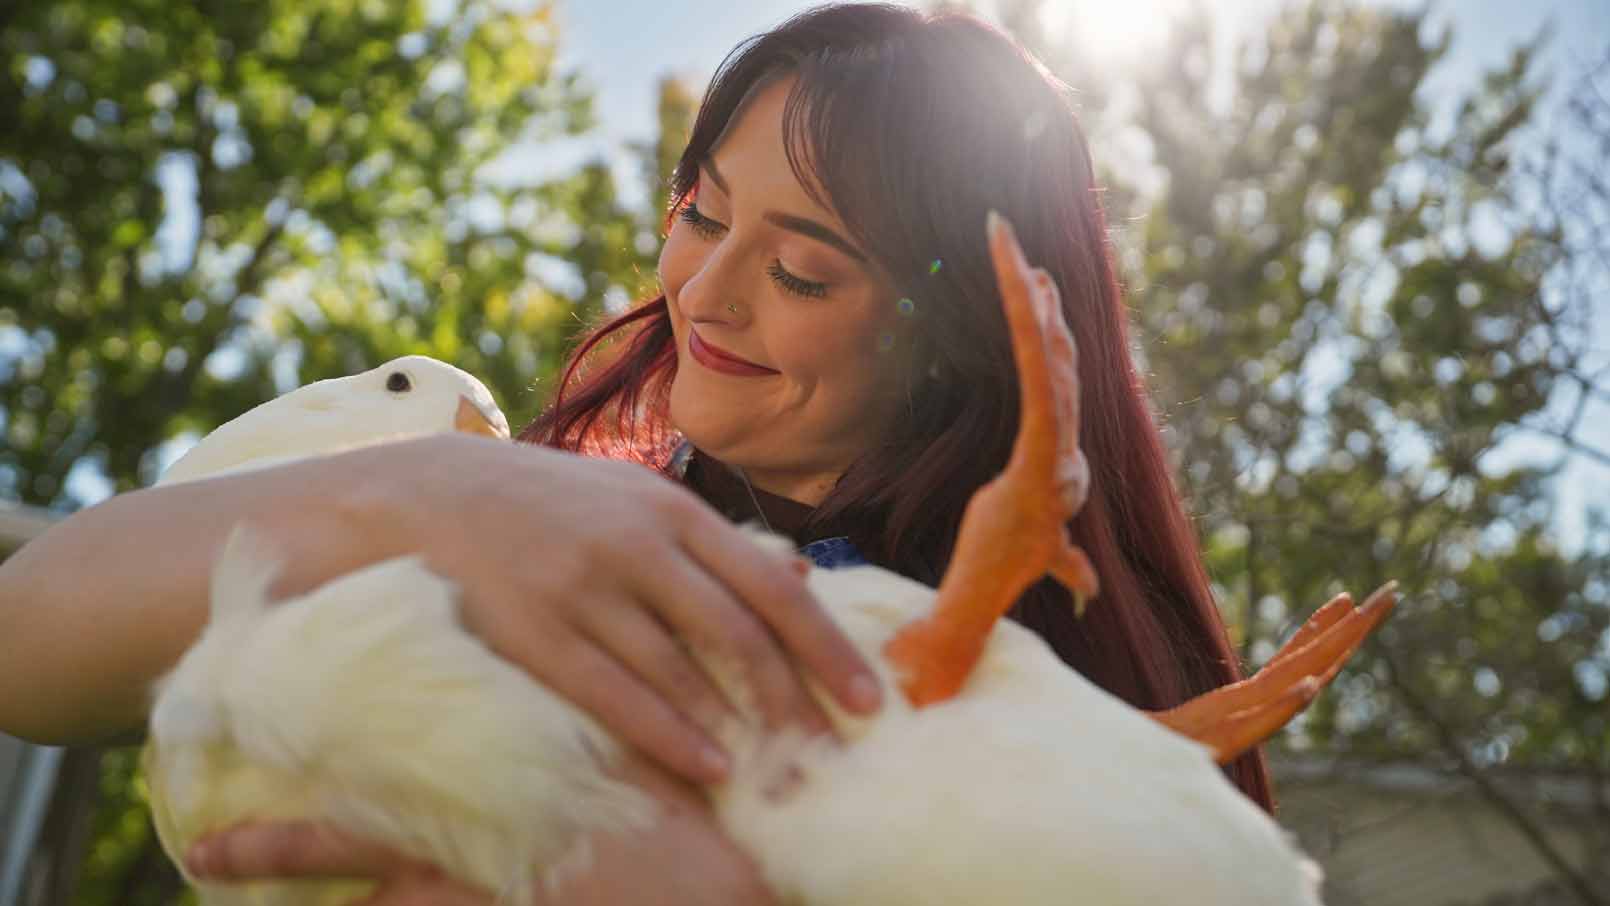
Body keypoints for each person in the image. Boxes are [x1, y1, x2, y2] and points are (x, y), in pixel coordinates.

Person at [0, 3, 1270, 903]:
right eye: (698, 210)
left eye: (797, 270)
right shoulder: (529, 510)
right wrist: (427, 495)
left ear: (957, 341)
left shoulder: (1081, 703)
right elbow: (28, 649)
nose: (703, 293)